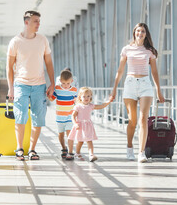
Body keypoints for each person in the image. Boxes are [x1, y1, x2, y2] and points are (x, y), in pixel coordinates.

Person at [110, 23, 165, 163]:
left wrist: (158, 89)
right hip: (130, 84)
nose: (140, 33)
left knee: (143, 119)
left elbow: (154, 72)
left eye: (143, 31)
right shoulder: (127, 49)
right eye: (138, 31)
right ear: (134, 33)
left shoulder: (149, 51)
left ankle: (141, 152)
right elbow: (120, 70)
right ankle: (129, 148)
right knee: (133, 121)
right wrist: (114, 88)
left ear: (146, 34)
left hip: (145, 84)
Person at [6, 10, 55, 161]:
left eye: (39, 21)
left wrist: (52, 83)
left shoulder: (43, 40)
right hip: (21, 84)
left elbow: (48, 62)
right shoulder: (15, 42)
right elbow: (9, 66)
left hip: (39, 85)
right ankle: (20, 148)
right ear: (26, 22)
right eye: (35, 21)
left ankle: (32, 150)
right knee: (20, 117)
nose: (38, 24)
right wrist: (11, 87)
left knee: (38, 119)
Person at [67, 87, 113, 162]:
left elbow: (101, 106)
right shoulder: (78, 106)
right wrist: (75, 124)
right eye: (84, 96)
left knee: (89, 140)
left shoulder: (91, 106)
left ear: (91, 96)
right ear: (80, 97)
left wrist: (109, 101)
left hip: (88, 126)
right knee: (80, 141)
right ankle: (77, 153)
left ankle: (91, 154)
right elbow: (73, 116)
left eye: (88, 96)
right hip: (80, 125)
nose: (86, 98)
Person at [48, 69, 78, 158]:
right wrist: (48, 94)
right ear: (60, 81)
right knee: (61, 134)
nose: (65, 86)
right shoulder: (57, 88)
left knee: (69, 133)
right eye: (64, 83)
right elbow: (52, 99)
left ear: (71, 81)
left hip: (70, 116)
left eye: (68, 83)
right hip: (60, 117)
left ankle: (70, 152)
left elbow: (76, 102)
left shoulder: (74, 90)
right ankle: (64, 148)